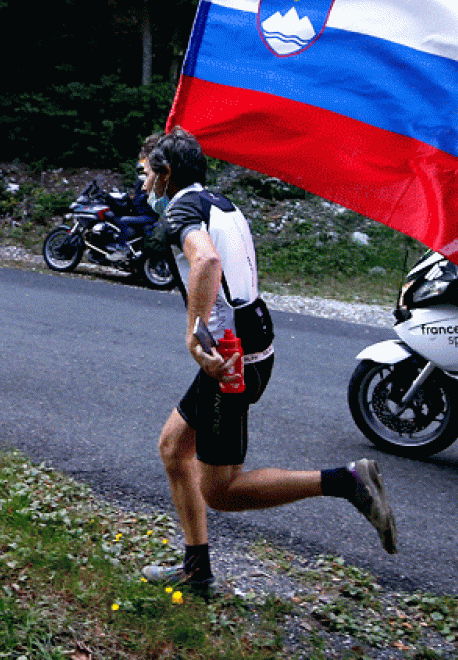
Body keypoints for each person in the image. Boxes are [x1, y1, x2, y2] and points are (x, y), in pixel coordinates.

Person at [137, 128, 397, 598]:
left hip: (230, 358)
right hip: (250, 342)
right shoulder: (218, 203)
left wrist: (195, 334)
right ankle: (196, 570)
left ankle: (347, 481)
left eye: (145, 173)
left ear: (166, 173)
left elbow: (206, 262)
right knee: (174, 449)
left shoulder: (181, 210)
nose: (143, 184)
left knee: (221, 490)